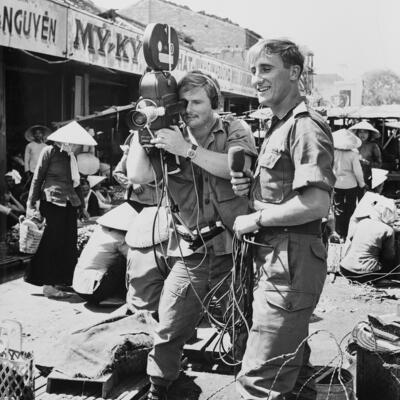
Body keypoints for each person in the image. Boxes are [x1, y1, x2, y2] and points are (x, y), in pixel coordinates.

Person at [127, 70, 257, 400]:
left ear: (214, 102)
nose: (189, 108)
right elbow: (137, 175)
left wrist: (187, 149)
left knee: (244, 320)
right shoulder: (168, 133)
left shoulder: (233, 129)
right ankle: (161, 386)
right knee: (170, 322)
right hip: (193, 249)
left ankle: (250, 382)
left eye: (197, 101)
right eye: (182, 102)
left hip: (234, 247)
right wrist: (145, 129)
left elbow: (237, 167)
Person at [231, 39, 335, 400]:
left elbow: (315, 204)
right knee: (292, 373)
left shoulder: (304, 127)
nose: (256, 79)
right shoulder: (281, 125)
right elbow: (286, 195)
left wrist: (255, 220)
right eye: (254, 71)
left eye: (266, 69)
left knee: (261, 381)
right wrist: (250, 192)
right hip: (279, 259)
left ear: (294, 73)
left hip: (289, 262)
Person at [25, 121, 96, 299]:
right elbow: (37, 178)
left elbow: (76, 183)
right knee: (51, 242)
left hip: (69, 203)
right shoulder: (49, 152)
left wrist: (82, 207)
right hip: (52, 201)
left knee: (68, 243)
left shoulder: (71, 157)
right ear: (61, 139)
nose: (71, 144)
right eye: (69, 141)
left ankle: (61, 280)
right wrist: (31, 204)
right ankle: (48, 285)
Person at [340, 196, 397, 284]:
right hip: (366, 274)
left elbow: (351, 239)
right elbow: (389, 256)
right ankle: (387, 278)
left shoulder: (363, 222)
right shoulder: (388, 230)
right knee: (392, 257)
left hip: (345, 269)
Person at [332, 128, 366, 240]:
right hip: (350, 184)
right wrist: (362, 184)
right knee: (351, 208)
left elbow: (331, 169)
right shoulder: (353, 155)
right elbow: (358, 172)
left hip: (336, 184)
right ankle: (348, 233)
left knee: (338, 209)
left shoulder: (334, 153)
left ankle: (339, 232)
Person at [349, 120, 382, 193]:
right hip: (351, 178)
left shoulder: (373, 146)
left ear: (369, 134)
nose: (362, 134)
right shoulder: (352, 145)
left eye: (365, 132)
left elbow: (379, 164)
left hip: (367, 179)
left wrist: (368, 163)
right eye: (360, 131)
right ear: (357, 133)